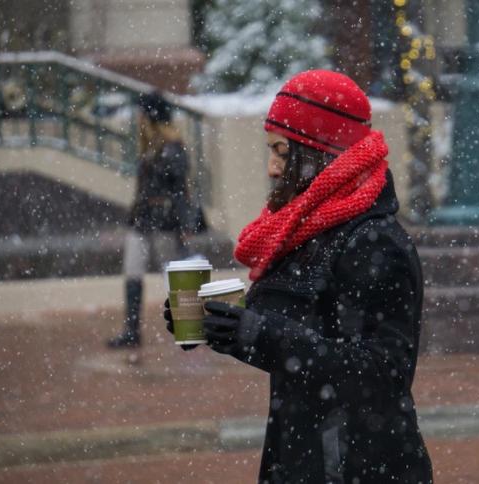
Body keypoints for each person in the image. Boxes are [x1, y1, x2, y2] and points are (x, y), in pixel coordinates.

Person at [165, 70, 433, 483]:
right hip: (305, 456)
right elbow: (292, 336)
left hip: (358, 467)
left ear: (319, 152)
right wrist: (222, 325)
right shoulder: (312, 232)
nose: (273, 168)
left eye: (283, 152)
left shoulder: (375, 241)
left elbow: (384, 373)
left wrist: (260, 334)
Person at [108, 91, 201, 349]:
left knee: (173, 275)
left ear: (151, 117)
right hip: (142, 220)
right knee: (132, 272)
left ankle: (192, 328)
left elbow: (181, 190)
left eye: (142, 113)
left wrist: (185, 224)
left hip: (164, 221)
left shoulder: (173, 148)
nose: (138, 118)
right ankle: (131, 331)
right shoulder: (148, 147)